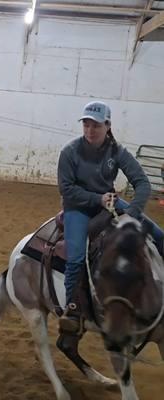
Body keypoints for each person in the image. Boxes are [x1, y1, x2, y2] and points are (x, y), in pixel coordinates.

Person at [57, 100, 164, 334]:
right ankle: (72, 310)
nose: (90, 130)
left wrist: (131, 214)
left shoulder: (117, 152)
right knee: (75, 257)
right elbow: (66, 189)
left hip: (110, 203)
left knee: (159, 236)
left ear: (108, 126)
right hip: (78, 207)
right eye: (86, 125)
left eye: (95, 125)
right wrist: (98, 199)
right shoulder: (69, 152)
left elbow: (142, 184)